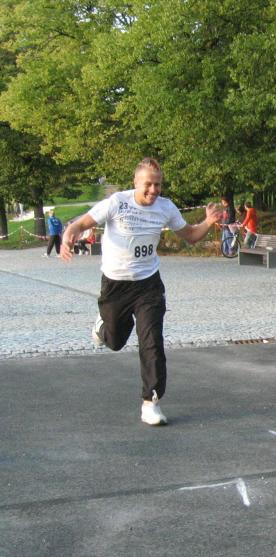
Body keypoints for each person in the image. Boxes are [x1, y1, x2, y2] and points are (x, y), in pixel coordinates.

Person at [59, 158, 223, 426]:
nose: (153, 190)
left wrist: (207, 221)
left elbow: (191, 236)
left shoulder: (165, 207)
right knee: (115, 342)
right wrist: (69, 235)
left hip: (148, 285)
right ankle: (102, 327)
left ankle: (151, 402)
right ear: (135, 182)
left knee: (152, 341)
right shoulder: (117, 203)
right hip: (116, 285)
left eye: (158, 184)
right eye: (148, 184)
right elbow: (81, 224)